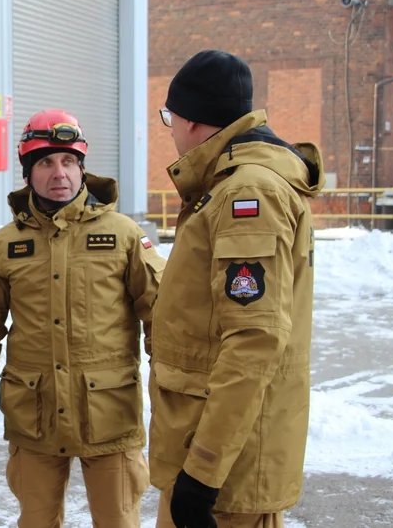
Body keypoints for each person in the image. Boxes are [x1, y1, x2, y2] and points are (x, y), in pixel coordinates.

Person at [0, 108, 166, 528]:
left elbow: (161, 318)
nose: (60, 173)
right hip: (34, 417)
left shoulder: (123, 235)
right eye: (46, 162)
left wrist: (170, 396)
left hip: (109, 417)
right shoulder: (6, 244)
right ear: (27, 173)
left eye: (69, 161)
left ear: (83, 169)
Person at [148, 50, 324, 528]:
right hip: (216, 451)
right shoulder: (232, 183)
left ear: (193, 120)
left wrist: (202, 474)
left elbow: (254, 340)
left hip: (224, 471)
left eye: (169, 116)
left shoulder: (246, 194)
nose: (169, 129)